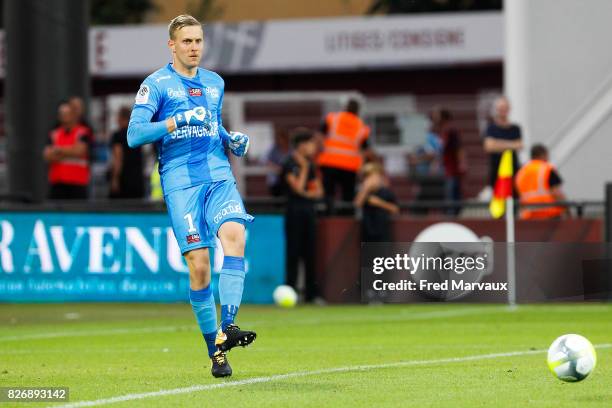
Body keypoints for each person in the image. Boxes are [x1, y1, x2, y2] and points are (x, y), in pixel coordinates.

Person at [127, 14, 255, 378]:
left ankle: (228, 326)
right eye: (186, 42)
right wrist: (175, 122)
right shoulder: (156, 85)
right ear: (172, 45)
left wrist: (230, 139)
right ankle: (215, 351)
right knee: (199, 267)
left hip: (217, 174)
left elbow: (211, 122)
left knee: (235, 234)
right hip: (180, 182)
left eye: (198, 41)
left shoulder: (215, 82)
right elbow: (134, 136)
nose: (194, 48)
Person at [281, 129, 323, 303]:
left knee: (310, 253)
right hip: (294, 212)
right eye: (311, 143)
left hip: (309, 212)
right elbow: (297, 188)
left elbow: (318, 191)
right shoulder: (289, 163)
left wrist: (307, 192)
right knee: (293, 253)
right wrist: (304, 169)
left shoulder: (312, 165)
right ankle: (291, 292)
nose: (313, 147)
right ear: (301, 145)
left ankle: (311, 295)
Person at [317, 99, 373, 214]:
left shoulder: (333, 118)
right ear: (358, 110)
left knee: (328, 193)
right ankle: (346, 216)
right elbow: (365, 150)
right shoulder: (361, 126)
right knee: (348, 196)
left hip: (329, 162)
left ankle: (327, 215)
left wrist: (323, 149)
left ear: (345, 107)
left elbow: (319, 135)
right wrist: (361, 168)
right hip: (350, 166)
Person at [43, 102, 91, 199]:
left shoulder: (82, 132)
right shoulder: (54, 134)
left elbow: (80, 151)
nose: (64, 116)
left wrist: (58, 150)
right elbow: (47, 156)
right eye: (61, 114)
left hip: (78, 183)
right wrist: (71, 150)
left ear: (73, 115)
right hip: (57, 183)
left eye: (66, 113)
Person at [515, 144, 566, 219]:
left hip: (528, 216)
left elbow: (518, 195)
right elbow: (557, 193)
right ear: (543, 155)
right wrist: (567, 209)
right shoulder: (546, 169)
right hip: (549, 214)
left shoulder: (521, 172)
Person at [483, 96, 523, 187]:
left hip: (512, 170)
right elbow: (489, 147)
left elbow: (519, 145)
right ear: (496, 110)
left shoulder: (515, 128)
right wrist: (511, 144)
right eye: (500, 108)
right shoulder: (491, 128)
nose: (503, 111)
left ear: (509, 109)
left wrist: (497, 143)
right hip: (496, 171)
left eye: (505, 108)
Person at [354, 162, 399, 242]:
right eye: (370, 177)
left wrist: (379, 203)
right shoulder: (364, 192)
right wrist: (366, 189)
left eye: (376, 177)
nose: (373, 180)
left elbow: (395, 209)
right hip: (367, 232)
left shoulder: (386, 192)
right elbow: (357, 204)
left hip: (382, 231)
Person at [109, 106, 145, 199]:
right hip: (137, 179)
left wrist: (114, 179)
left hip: (123, 180)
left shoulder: (118, 136)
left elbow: (118, 158)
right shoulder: (137, 134)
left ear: (120, 118)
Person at [438, 109, 467, 215]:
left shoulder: (450, 130)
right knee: (451, 191)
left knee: (452, 192)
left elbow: (459, 148)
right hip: (448, 168)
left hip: (452, 168)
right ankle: (452, 212)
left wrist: (461, 163)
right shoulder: (443, 130)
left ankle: (452, 214)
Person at [264, 131, 290, 196]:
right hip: (275, 180)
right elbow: (266, 160)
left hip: (288, 181)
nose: (280, 141)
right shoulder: (273, 149)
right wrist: (277, 168)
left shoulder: (290, 149)